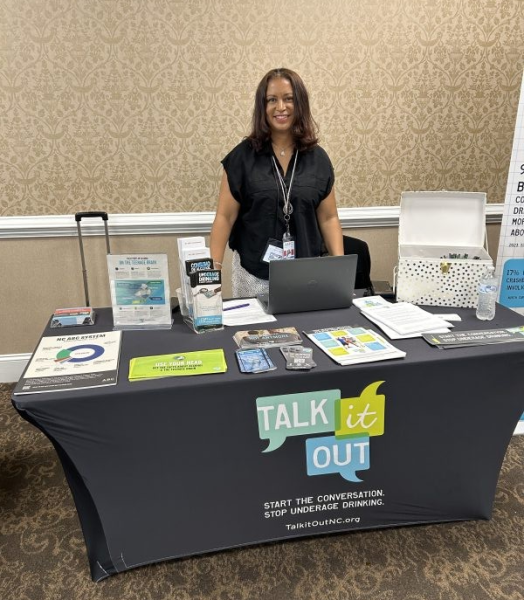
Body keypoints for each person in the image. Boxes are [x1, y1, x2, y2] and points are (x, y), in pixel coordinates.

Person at [209, 67, 344, 298]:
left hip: (307, 276)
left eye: (288, 99)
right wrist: (212, 274)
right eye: (272, 99)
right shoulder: (241, 158)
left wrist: (339, 270)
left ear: (300, 104)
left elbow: (328, 218)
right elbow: (225, 217)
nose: (280, 107)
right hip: (254, 275)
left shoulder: (318, 159)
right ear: (262, 106)